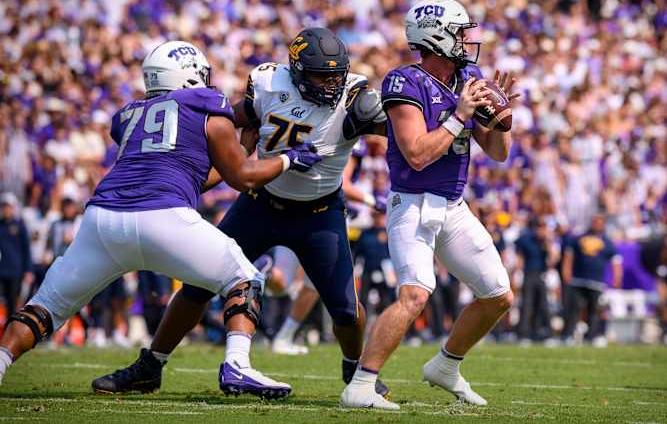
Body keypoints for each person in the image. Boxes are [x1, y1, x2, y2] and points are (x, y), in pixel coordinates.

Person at [0, 41, 322, 398]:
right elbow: (242, 178)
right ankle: (237, 366)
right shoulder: (206, 104)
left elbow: (195, 177)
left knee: (44, 307)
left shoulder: (130, 115)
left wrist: (243, 149)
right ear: (191, 76)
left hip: (102, 221)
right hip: (162, 219)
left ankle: (1, 363)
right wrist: (289, 159)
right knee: (243, 277)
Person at [91, 28, 391, 398]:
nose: (331, 83)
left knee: (345, 307)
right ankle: (151, 364)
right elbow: (233, 120)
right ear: (296, 71)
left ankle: (355, 372)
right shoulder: (267, 82)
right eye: (320, 75)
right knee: (198, 285)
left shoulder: (355, 96)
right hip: (260, 203)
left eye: (336, 74)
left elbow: (394, 128)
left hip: (320, 212)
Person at [341, 0, 517, 410]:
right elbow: (417, 153)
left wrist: (501, 119)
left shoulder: (467, 76)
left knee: (498, 295)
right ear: (435, 36)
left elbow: (497, 152)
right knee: (414, 295)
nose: (466, 40)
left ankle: (446, 365)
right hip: (413, 203)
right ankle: (361, 385)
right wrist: (459, 115)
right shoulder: (404, 82)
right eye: (459, 32)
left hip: (453, 206)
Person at [561, 213, 623, 345]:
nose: (597, 224)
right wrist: (566, 271)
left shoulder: (607, 242)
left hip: (596, 282)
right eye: (595, 221)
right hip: (578, 279)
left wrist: (617, 277)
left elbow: (616, 261)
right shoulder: (579, 238)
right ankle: (568, 335)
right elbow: (569, 255)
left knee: (594, 310)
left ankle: (591, 336)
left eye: (600, 222)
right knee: (574, 308)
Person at [515, 216, 554, 342]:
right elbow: (520, 258)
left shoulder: (546, 242)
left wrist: (547, 243)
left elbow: (552, 260)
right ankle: (524, 335)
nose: (543, 230)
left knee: (543, 305)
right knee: (527, 305)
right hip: (528, 275)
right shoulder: (526, 239)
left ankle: (545, 333)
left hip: (541, 275)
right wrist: (518, 274)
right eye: (541, 227)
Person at [0, 193, 32, 319]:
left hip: (15, 271)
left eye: (8, 206)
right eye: (4, 206)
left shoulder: (19, 225)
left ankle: (8, 334)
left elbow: (26, 249)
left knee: (12, 303)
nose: (6, 209)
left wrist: (28, 270)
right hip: (1, 270)